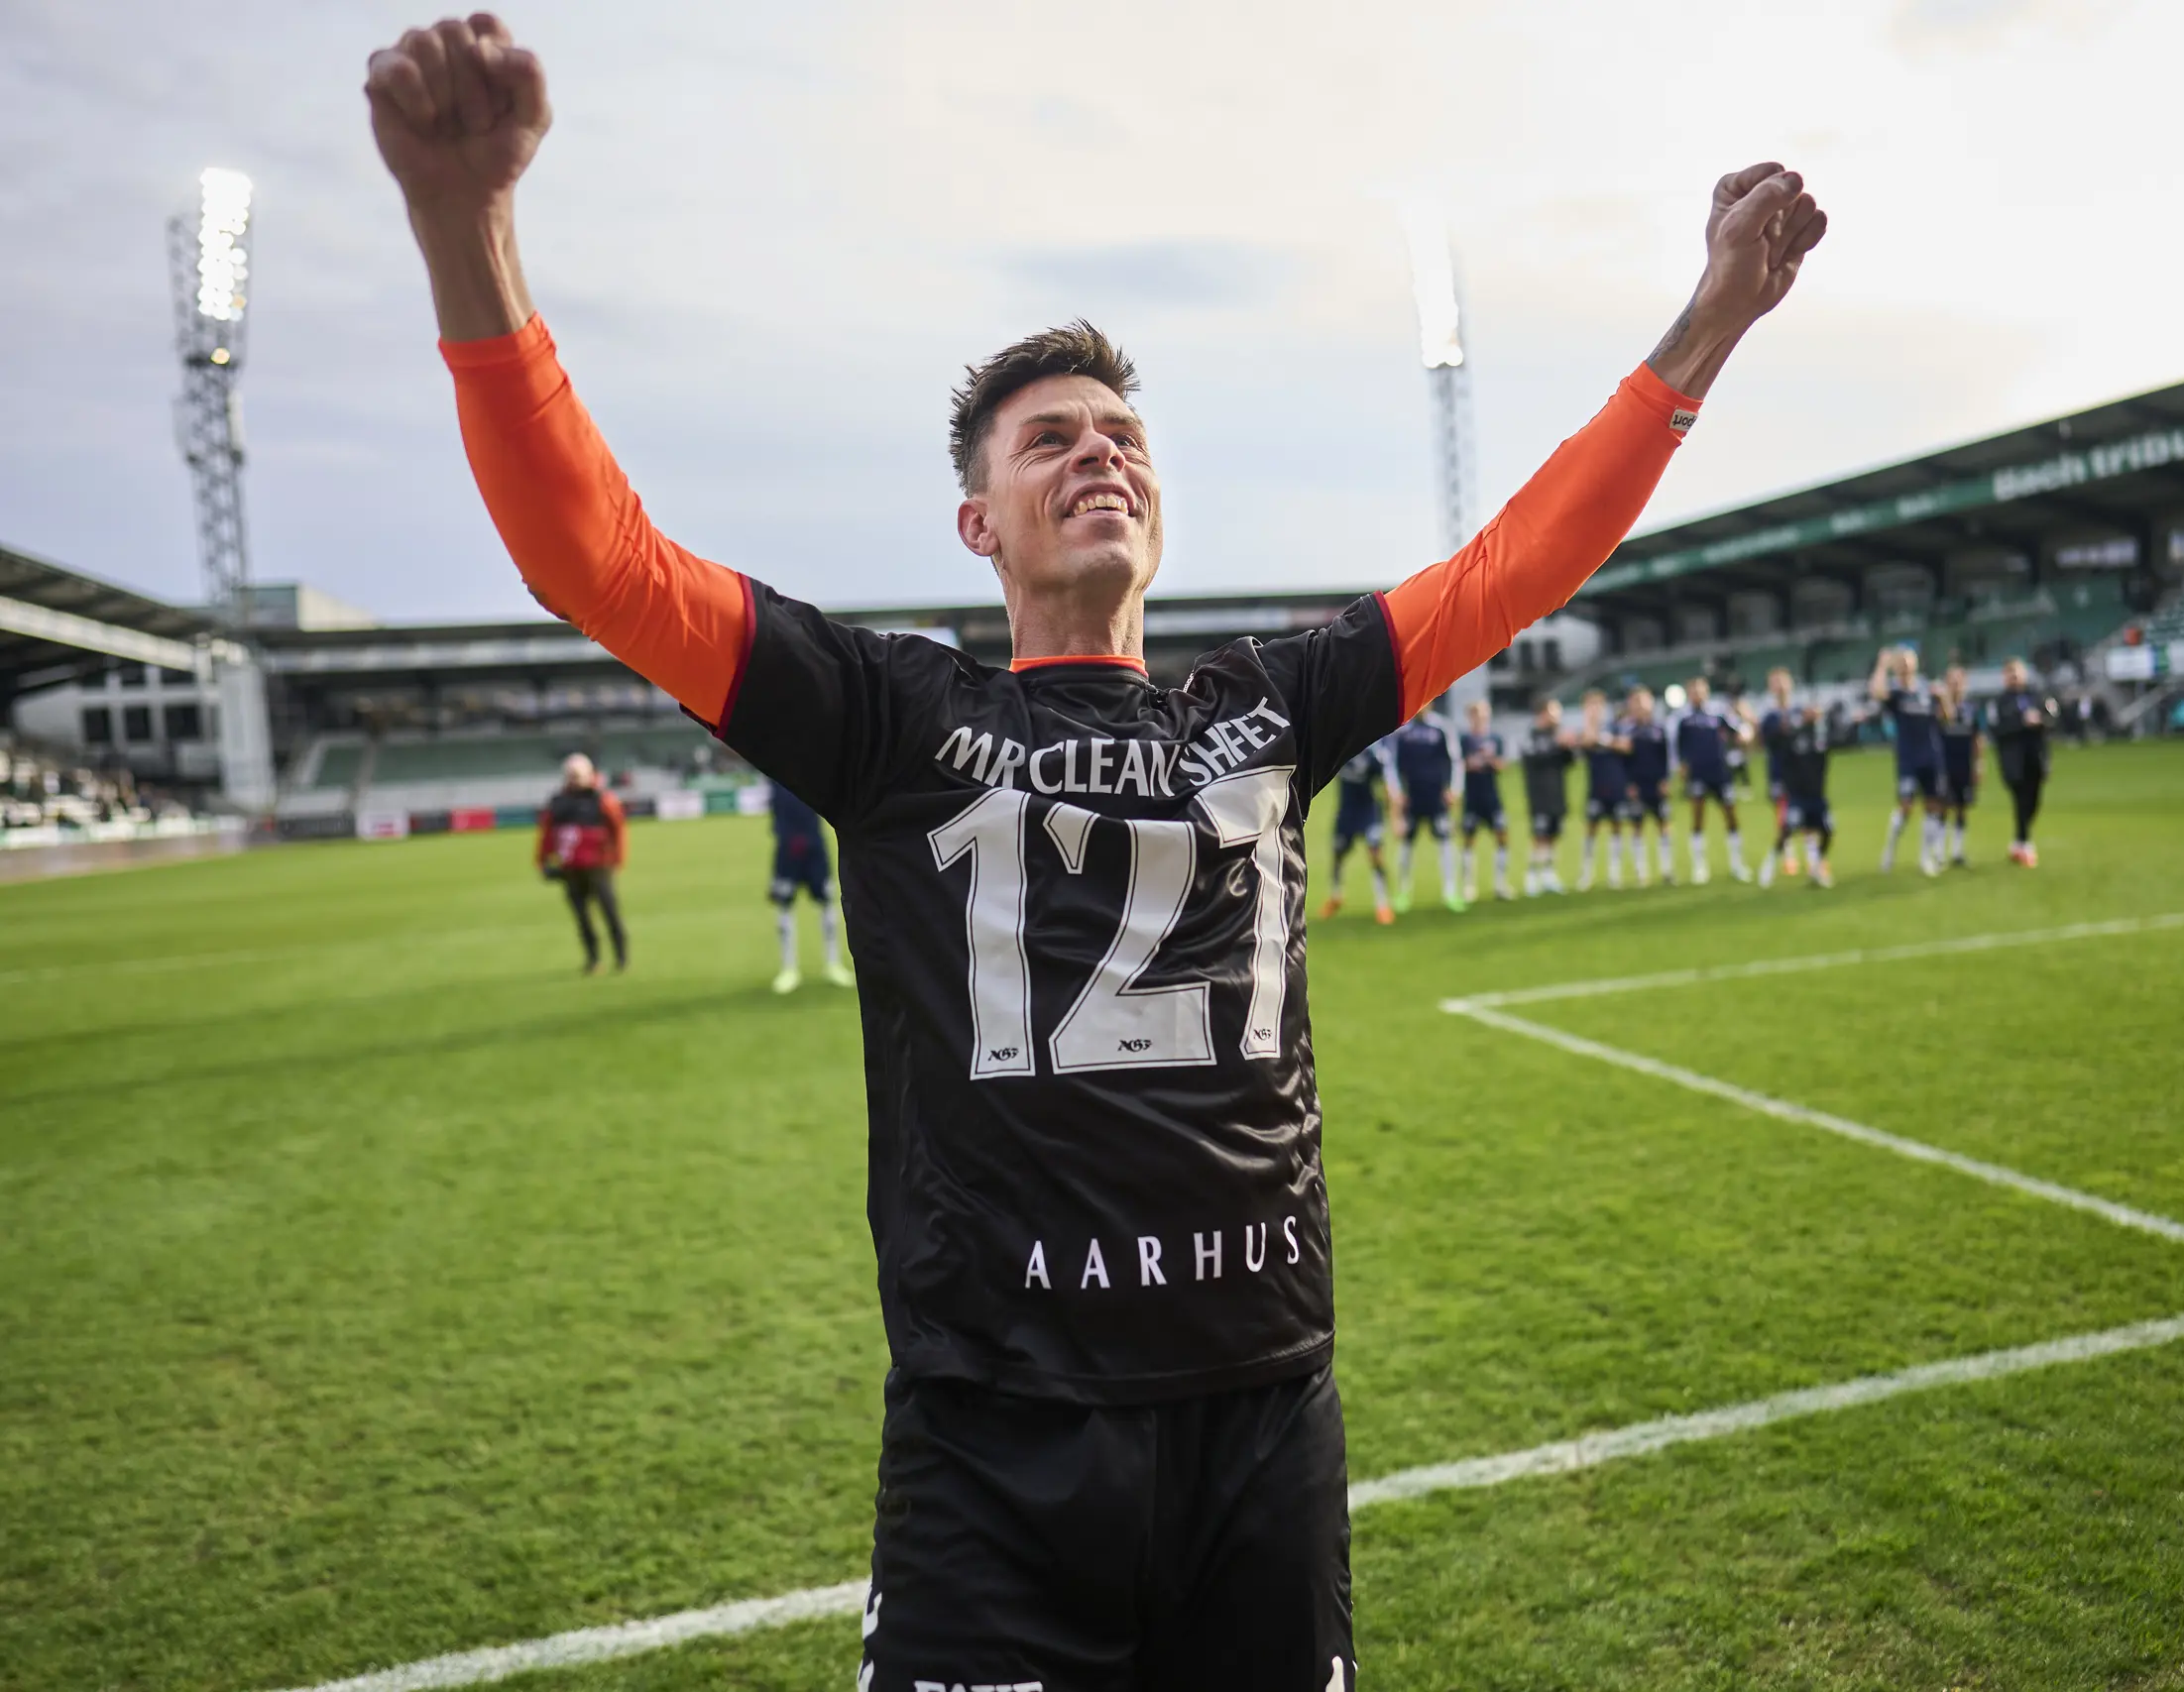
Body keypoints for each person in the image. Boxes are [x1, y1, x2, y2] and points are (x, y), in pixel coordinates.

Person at [365, 19, 1824, 1682]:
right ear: (977, 523)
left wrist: (1710, 320)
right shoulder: (891, 715)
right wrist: (468, 227)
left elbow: (1516, 564)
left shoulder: (1269, 706)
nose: (1100, 452)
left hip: (1262, 1418)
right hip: (995, 1446)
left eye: (1121, 434)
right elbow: (599, 559)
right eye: (1050, 438)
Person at [534, 751, 627, 972]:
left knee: (610, 913)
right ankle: (593, 960)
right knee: (582, 918)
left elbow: (618, 831)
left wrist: (617, 859)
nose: (574, 779)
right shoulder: (558, 802)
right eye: (570, 775)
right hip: (571, 869)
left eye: (577, 775)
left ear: (588, 775)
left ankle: (621, 958)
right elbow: (547, 833)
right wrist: (542, 861)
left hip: (599, 867)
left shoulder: (603, 799)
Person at [768, 778, 854, 992]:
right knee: (784, 905)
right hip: (788, 848)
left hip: (814, 847)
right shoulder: (775, 777)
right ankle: (789, 969)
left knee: (827, 902)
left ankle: (833, 964)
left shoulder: (811, 770)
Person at [1870, 645, 1947, 875]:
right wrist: (1881, 666)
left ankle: (1925, 857)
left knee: (1932, 806)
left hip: (1931, 756)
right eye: (1900, 662)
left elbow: (1947, 718)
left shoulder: (1927, 691)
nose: (1905, 665)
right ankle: (1890, 850)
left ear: (1915, 664)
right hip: (1908, 758)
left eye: (1908, 661)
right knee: (1906, 806)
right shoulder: (1896, 694)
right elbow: (1877, 692)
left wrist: (1944, 698)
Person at [1669, 675, 1750, 884]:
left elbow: (1737, 731)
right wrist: (1680, 767)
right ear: (1688, 693)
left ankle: (1737, 863)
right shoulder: (1683, 718)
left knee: (1731, 815)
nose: (1697, 694)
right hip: (1697, 773)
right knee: (1698, 817)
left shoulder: (1718, 712)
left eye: (1700, 689)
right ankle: (1700, 866)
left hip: (1720, 772)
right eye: (1693, 690)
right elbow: (1676, 746)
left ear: (1706, 691)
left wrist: (1744, 735)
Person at [1390, 698, 1463, 912]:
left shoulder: (1442, 728)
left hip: (1437, 798)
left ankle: (1450, 891)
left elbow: (1455, 760)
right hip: (1411, 798)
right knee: (1406, 845)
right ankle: (1403, 892)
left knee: (1446, 842)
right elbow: (1392, 765)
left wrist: (1454, 789)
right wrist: (1397, 792)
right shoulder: (1402, 731)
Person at [1316, 737, 1398, 925]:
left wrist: (1393, 815)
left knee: (1375, 854)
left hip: (1368, 811)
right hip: (1346, 812)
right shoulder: (1340, 748)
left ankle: (1382, 903)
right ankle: (1336, 896)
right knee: (1338, 854)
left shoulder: (1374, 753)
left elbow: (1387, 783)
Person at [1987, 656, 2055, 867]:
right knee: (2020, 799)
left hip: (2035, 756)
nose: (2014, 677)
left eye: (2017, 672)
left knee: (2034, 800)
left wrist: (2041, 719)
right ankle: (2025, 845)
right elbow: (1996, 730)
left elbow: (2052, 717)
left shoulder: (2036, 695)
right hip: (2013, 759)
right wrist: (2022, 722)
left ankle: (2018, 841)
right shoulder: (1999, 702)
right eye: (2010, 673)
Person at [1759, 702, 1835, 888]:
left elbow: (1839, 739)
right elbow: (1773, 743)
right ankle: (1770, 862)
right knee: (1788, 830)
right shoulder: (1793, 735)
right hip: (1798, 795)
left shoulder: (1821, 736)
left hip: (1817, 795)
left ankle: (1817, 866)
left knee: (1827, 831)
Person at [1456, 698, 1515, 901]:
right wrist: (1470, 763)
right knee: (1468, 839)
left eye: (1483, 715)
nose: (1480, 719)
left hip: (1492, 796)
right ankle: (1468, 885)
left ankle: (1500, 883)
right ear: (1470, 717)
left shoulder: (1495, 739)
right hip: (1472, 796)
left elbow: (1502, 764)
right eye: (1477, 715)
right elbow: (1458, 764)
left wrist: (1489, 760)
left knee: (1502, 835)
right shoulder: (1463, 740)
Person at [1616, 685, 1673, 886]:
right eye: (1636, 701)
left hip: (1657, 785)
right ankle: (1641, 871)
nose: (1640, 705)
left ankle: (1667, 869)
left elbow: (1667, 757)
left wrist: (1666, 779)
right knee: (1637, 826)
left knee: (1664, 825)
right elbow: (1621, 762)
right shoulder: (1626, 730)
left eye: (1643, 700)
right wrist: (1628, 784)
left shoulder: (1659, 729)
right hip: (1637, 786)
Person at [1519, 696, 1575, 895]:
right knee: (1539, 836)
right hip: (1539, 794)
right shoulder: (1531, 736)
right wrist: (1557, 746)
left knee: (1553, 835)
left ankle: (1549, 874)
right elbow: (1533, 760)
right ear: (1543, 713)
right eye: (1554, 711)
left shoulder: (1556, 734)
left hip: (1557, 792)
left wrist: (1567, 748)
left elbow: (1569, 762)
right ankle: (1531, 875)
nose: (1558, 715)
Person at [1578, 688, 1632, 891]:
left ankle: (1614, 871)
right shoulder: (1586, 729)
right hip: (1596, 786)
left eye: (1596, 705)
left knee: (1616, 826)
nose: (1593, 709)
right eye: (1589, 705)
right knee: (1591, 828)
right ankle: (1587, 873)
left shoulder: (1614, 725)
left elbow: (1626, 746)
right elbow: (1586, 742)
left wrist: (1606, 740)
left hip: (1616, 783)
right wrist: (1592, 728)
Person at [1756, 666, 1800, 878]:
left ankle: (1815, 858)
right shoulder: (1769, 717)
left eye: (1783, 681)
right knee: (1784, 816)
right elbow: (1762, 742)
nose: (1780, 686)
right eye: (1776, 682)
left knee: (1809, 814)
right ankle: (1788, 856)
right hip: (1779, 772)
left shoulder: (1799, 712)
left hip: (1802, 772)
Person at [1937, 663, 1981, 869]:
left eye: (1958, 682)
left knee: (1962, 807)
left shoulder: (1972, 707)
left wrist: (1979, 763)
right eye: (1951, 682)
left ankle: (1957, 851)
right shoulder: (1939, 708)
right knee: (1943, 806)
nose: (1955, 686)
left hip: (1965, 763)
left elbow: (1977, 737)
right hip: (1944, 763)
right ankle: (1939, 851)